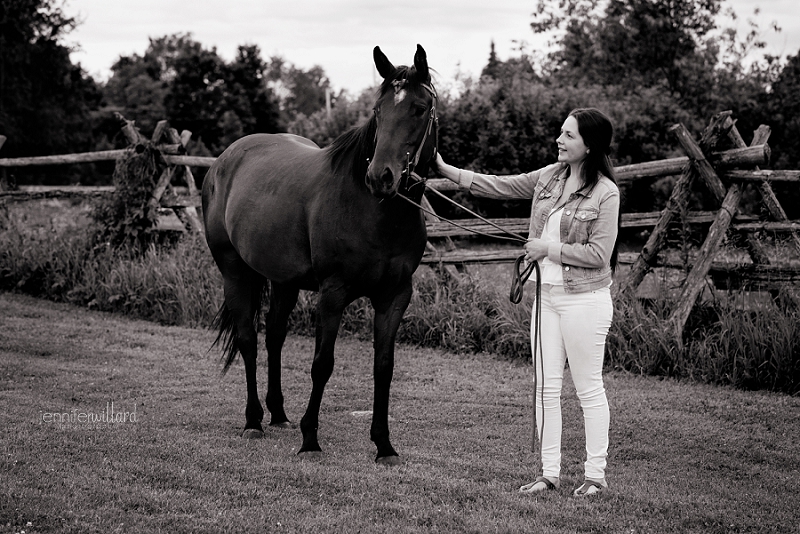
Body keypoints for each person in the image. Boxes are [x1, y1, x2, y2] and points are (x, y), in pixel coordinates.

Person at [435, 108, 620, 497]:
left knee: (588, 389)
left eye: (568, 135)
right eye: (560, 132)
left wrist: (546, 249)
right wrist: (445, 168)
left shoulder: (606, 193)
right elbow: (499, 185)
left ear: (589, 146)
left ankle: (595, 476)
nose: (559, 140)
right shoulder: (549, 177)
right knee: (544, 387)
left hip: (584, 300)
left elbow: (599, 254)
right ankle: (547, 473)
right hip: (547, 298)